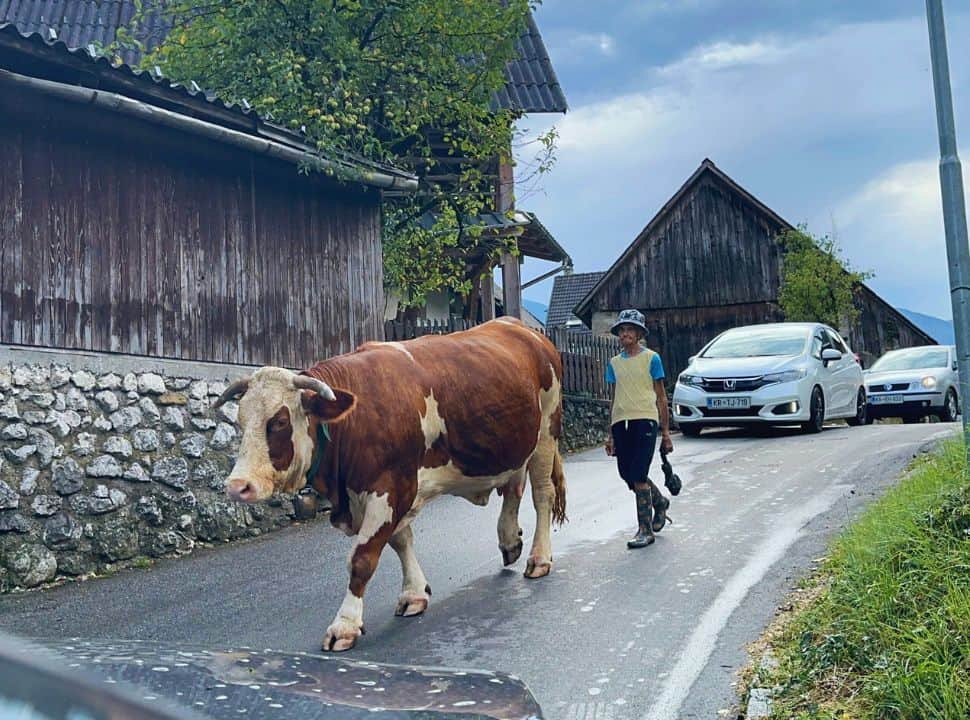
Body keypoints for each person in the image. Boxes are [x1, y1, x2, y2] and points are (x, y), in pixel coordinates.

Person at [604, 309, 673, 549]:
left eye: (630, 330)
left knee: (639, 474)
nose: (625, 334)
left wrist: (665, 432)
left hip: (645, 419)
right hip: (620, 422)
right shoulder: (613, 363)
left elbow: (661, 397)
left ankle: (645, 530)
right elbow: (613, 398)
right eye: (622, 330)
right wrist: (610, 433)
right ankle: (660, 502)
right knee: (627, 474)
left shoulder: (651, 359)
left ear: (639, 333)